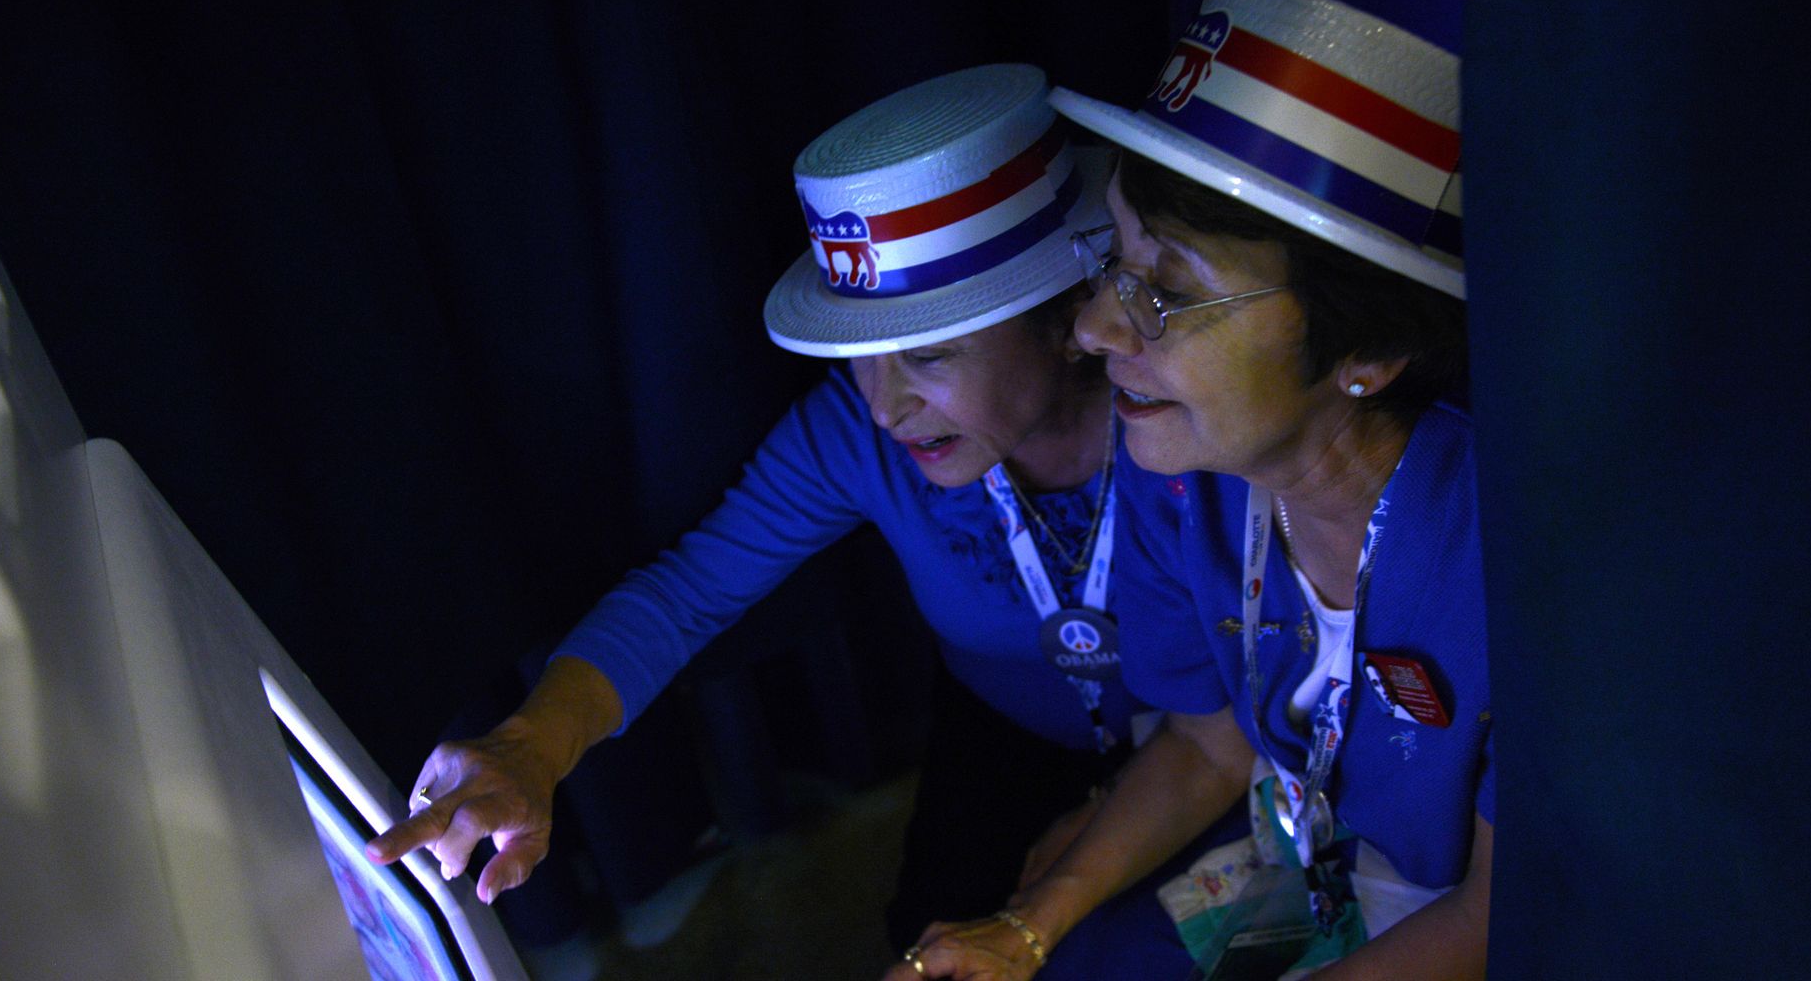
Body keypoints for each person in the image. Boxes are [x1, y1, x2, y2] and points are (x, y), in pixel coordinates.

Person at [364, 64, 1233, 969]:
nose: (886, 406)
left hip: (1216, 750)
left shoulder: (1192, 432)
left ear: (1067, 321)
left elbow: (1232, 733)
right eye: (859, 353)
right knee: (923, 942)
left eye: (929, 356)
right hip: (1005, 730)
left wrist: (1056, 896)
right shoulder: (854, 434)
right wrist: (531, 745)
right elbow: (688, 592)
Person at [888, 0, 1489, 980]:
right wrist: (1032, 925)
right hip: (1302, 858)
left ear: (1368, 351)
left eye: (1163, 292)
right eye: (1110, 265)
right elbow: (1214, 745)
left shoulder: (1510, 558)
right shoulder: (1187, 478)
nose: (1091, 327)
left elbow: (1505, 908)